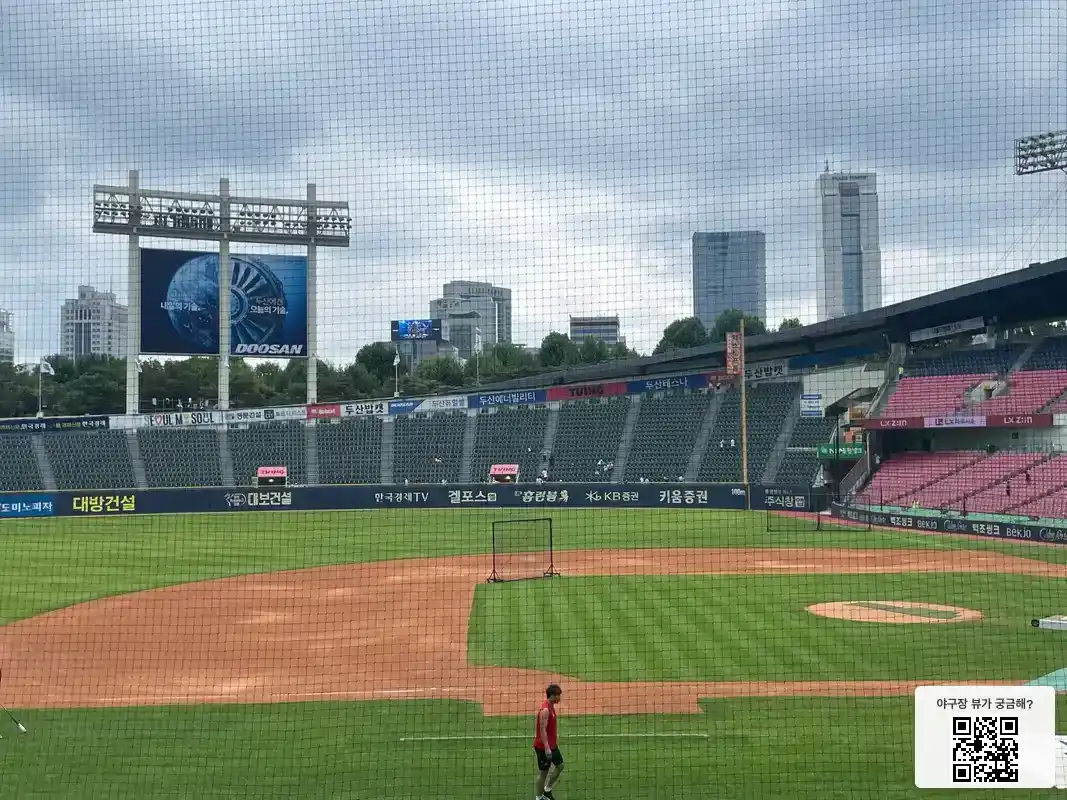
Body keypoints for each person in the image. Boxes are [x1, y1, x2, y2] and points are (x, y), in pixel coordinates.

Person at [533, 684, 564, 800]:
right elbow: (542, 730)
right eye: (558, 695)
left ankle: (547, 789)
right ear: (553, 696)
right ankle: (539, 797)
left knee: (560, 766)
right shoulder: (545, 710)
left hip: (552, 745)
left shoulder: (551, 706)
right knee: (543, 773)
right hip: (543, 747)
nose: (560, 698)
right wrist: (547, 748)